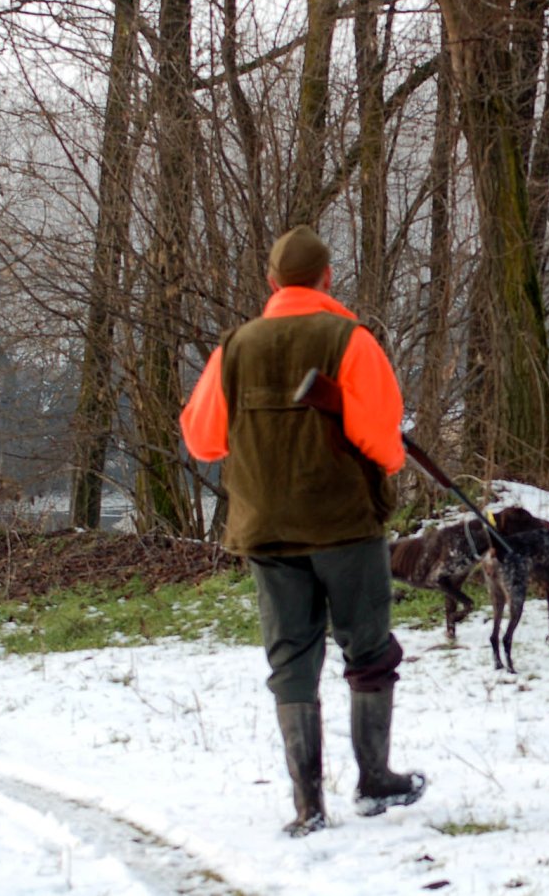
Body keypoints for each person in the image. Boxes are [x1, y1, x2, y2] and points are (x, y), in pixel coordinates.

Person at [180, 225, 425, 836]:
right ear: (328, 277)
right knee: (367, 651)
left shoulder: (233, 348)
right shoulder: (351, 339)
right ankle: (375, 782)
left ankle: (308, 807)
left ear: (270, 281)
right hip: (344, 526)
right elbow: (384, 447)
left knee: (291, 659)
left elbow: (202, 439)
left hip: (266, 530)